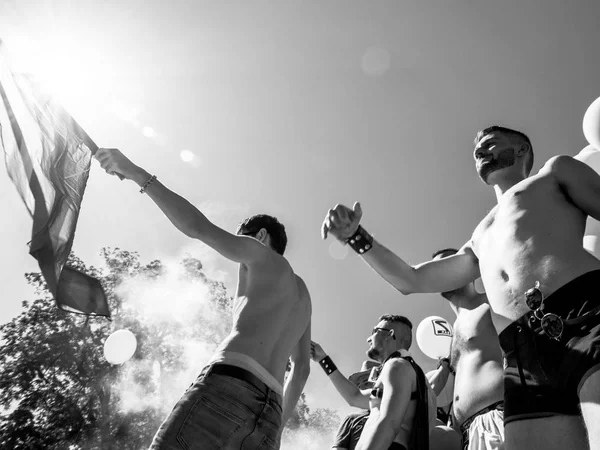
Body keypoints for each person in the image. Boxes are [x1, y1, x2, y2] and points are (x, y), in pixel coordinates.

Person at [321, 126, 600, 450]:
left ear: (522, 149)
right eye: (476, 150)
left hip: (581, 314)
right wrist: (356, 236)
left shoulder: (555, 172)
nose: (480, 151)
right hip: (522, 353)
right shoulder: (479, 236)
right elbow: (411, 280)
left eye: (490, 144)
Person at [95, 148, 312, 450]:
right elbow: (301, 369)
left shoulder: (259, 254)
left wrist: (136, 173)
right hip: (270, 416)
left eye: (242, 236)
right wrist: (274, 427)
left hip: (229, 386)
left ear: (261, 236)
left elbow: (198, 228)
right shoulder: (303, 296)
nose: (238, 251)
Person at [311, 314, 436, 450]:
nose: (369, 338)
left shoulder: (397, 366)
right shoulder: (415, 378)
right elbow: (355, 397)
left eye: (375, 331)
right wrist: (323, 360)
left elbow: (390, 424)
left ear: (390, 334)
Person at [429, 248, 505, 450]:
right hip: (466, 436)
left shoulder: (492, 301)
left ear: (470, 270)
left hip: (499, 422)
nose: (441, 271)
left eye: (448, 264)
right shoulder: (454, 333)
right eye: (436, 268)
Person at [332, 361, 379, 450]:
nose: (361, 386)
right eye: (358, 384)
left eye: (366, 382)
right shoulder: (352, 419)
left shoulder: (396, 415)